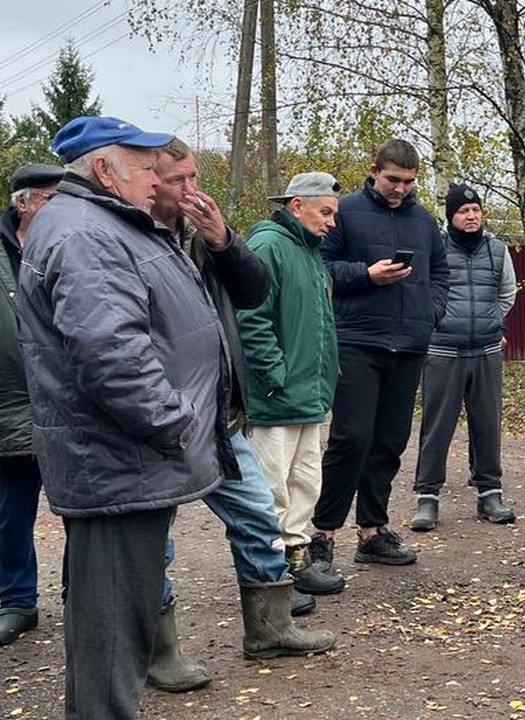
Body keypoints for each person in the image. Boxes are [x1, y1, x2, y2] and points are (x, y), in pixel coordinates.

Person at [17, 116, 231, 719]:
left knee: (116, 621)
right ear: (105, 170)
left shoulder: (107, 222)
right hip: (120, 461)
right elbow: (111, 355)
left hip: (128, 459)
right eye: (145, 167)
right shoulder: (87, 233)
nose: (157, 179)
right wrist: (177, 424)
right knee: (110, 628)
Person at [149, 141, 336, 690]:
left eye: (193, 177)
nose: (191, 191)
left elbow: (252, 292)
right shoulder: (126, 237)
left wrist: (222, 240)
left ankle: (270, 631)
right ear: (142, 180)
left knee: (258, 513)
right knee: (153, 539)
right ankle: (158, 652)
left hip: (218, 414)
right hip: (159, 420)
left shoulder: (196, 237)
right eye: (178, 179)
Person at [311, 138, 449, 568]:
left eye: (409, 182)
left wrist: (432, 311)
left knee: (390, 440)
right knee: (351, 438)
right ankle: (322, 533)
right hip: (357, 340)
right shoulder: (344, 212)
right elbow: (319, 267)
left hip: (409, 343)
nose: (400, 189)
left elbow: (441, 272)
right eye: (393, 180)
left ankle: (372, 531)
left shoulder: (425, 222)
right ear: (373, 170)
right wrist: (366, 275)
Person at [234, 172, 344, 593]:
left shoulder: (310, 254)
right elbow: (251, 318)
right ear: (296, 206)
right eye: (325, 212)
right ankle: (269, 571)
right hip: (276, 395)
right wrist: (274, 376)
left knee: (305, 480)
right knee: (271, 485)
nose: (332, 223)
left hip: (309, 393)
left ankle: (296, 557)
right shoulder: (269, 247)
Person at [410, 183, 517, 531]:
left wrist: (492, 322)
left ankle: (490, 493)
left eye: (476, 211)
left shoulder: (497, 250)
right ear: (451, 217)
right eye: (463, 212)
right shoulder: (435, 249)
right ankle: (428, 497)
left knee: (487, 423)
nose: (471, 217)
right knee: (437, 425)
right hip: (442, 350)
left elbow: (506, 294)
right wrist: (435, 325)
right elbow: (422, 292)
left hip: (485, 350)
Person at [0, 164, 63, 646]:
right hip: (10, 405)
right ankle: (17, 601)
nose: (59, 208)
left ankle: (81, 596)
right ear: (24, 203)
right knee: (10, 513)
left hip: (68, 403)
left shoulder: (73, 245)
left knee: (84, 511)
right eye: (49, 198)